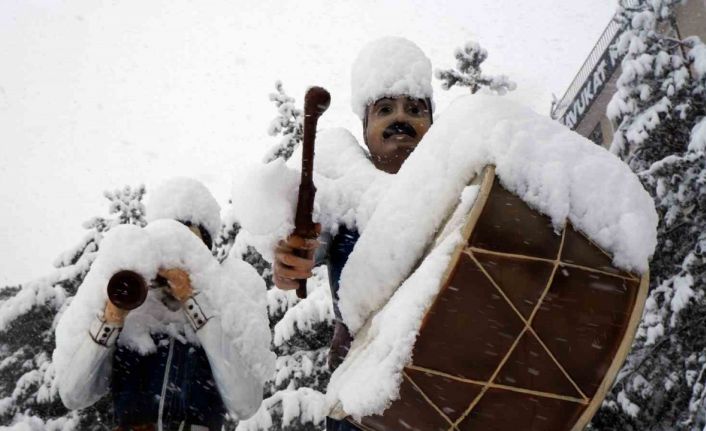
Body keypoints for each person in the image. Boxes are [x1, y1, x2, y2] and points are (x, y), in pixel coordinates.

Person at [272, 37, 434, 431]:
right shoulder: (343, 198)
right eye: (385, 109)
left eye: (415, 109)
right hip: (361, 405)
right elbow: (304, 251)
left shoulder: (460, 193)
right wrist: (290, 261)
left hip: (448, 395)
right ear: (365, 128)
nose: (402, 118)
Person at [54, 177, 272, 431]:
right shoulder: (130, 294)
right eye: (166, 241)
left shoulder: (230, 292)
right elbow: (73, 395)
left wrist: (193, 301)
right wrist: (112, 317)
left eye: (188, 246)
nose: (174, 255)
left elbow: (245, 403)